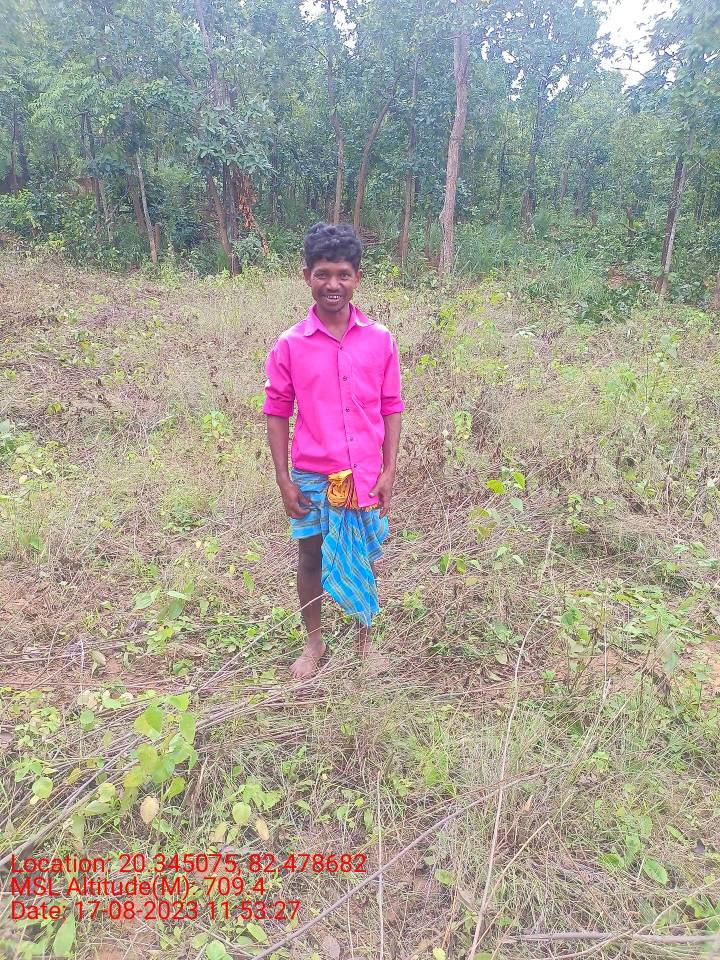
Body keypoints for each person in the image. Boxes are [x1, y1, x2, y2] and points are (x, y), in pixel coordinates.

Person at [263, 222, 404, 680]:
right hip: (311, 476)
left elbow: (391, 406)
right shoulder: (291, 344)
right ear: (307, 276)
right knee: (310, 556)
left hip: (364, 474)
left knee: (364, 556)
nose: (333, 284)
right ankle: (314, 641)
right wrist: (283, 479)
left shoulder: (379, 339)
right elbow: (277, 411)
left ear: (357, 277)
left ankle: (365, 641)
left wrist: (389, 470)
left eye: (343, 274)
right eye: (322, 274)